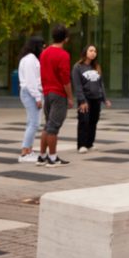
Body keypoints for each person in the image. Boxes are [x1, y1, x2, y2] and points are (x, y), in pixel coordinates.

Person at [37, 23, 73, 167]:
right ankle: (52, 158)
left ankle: (42, 156)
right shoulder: (63, 55)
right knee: (53, 127)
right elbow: (65, 79)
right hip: (58, 94)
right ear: (66, 39)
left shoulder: (44, 53)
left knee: (48, 125)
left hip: (47, 92)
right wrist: (70, 97)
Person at [73, 44, 111, 154]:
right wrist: (82, 100)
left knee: (93, 121)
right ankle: (82, 145)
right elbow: (77, 85)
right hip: (85, 98)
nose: (93, 52)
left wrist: (104, 99)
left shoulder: (96, 67)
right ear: (85, 52)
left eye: (95, 51)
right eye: (91, 50)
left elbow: (101, 84)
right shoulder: (78, 67)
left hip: (96, 98)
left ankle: (90, 143)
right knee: (84, 120)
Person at [17, 36, 45, 163]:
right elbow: (31, 82)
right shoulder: (30, 60)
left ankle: (28, 150)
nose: (43, 49)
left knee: (31, 122)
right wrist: (38, 97)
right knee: (34, 123)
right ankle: (25, 152)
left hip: (30, 93)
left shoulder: (29, 59)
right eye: (42, 46)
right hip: (31, 93)